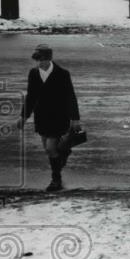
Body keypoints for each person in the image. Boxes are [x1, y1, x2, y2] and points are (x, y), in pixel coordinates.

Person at [16, 43, 81, 193]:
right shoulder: (33, 73)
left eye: (42, 60)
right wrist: (23, 117)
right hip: (41, 117)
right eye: (37, 60)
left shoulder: (63, 74)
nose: (39, 63)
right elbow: (31, 97)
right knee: (49, 149)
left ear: (49, 59)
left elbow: (70, 96)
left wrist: (75, 118)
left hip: (59, 117)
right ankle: (63, 154)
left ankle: (56, 180)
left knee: (51, 148)